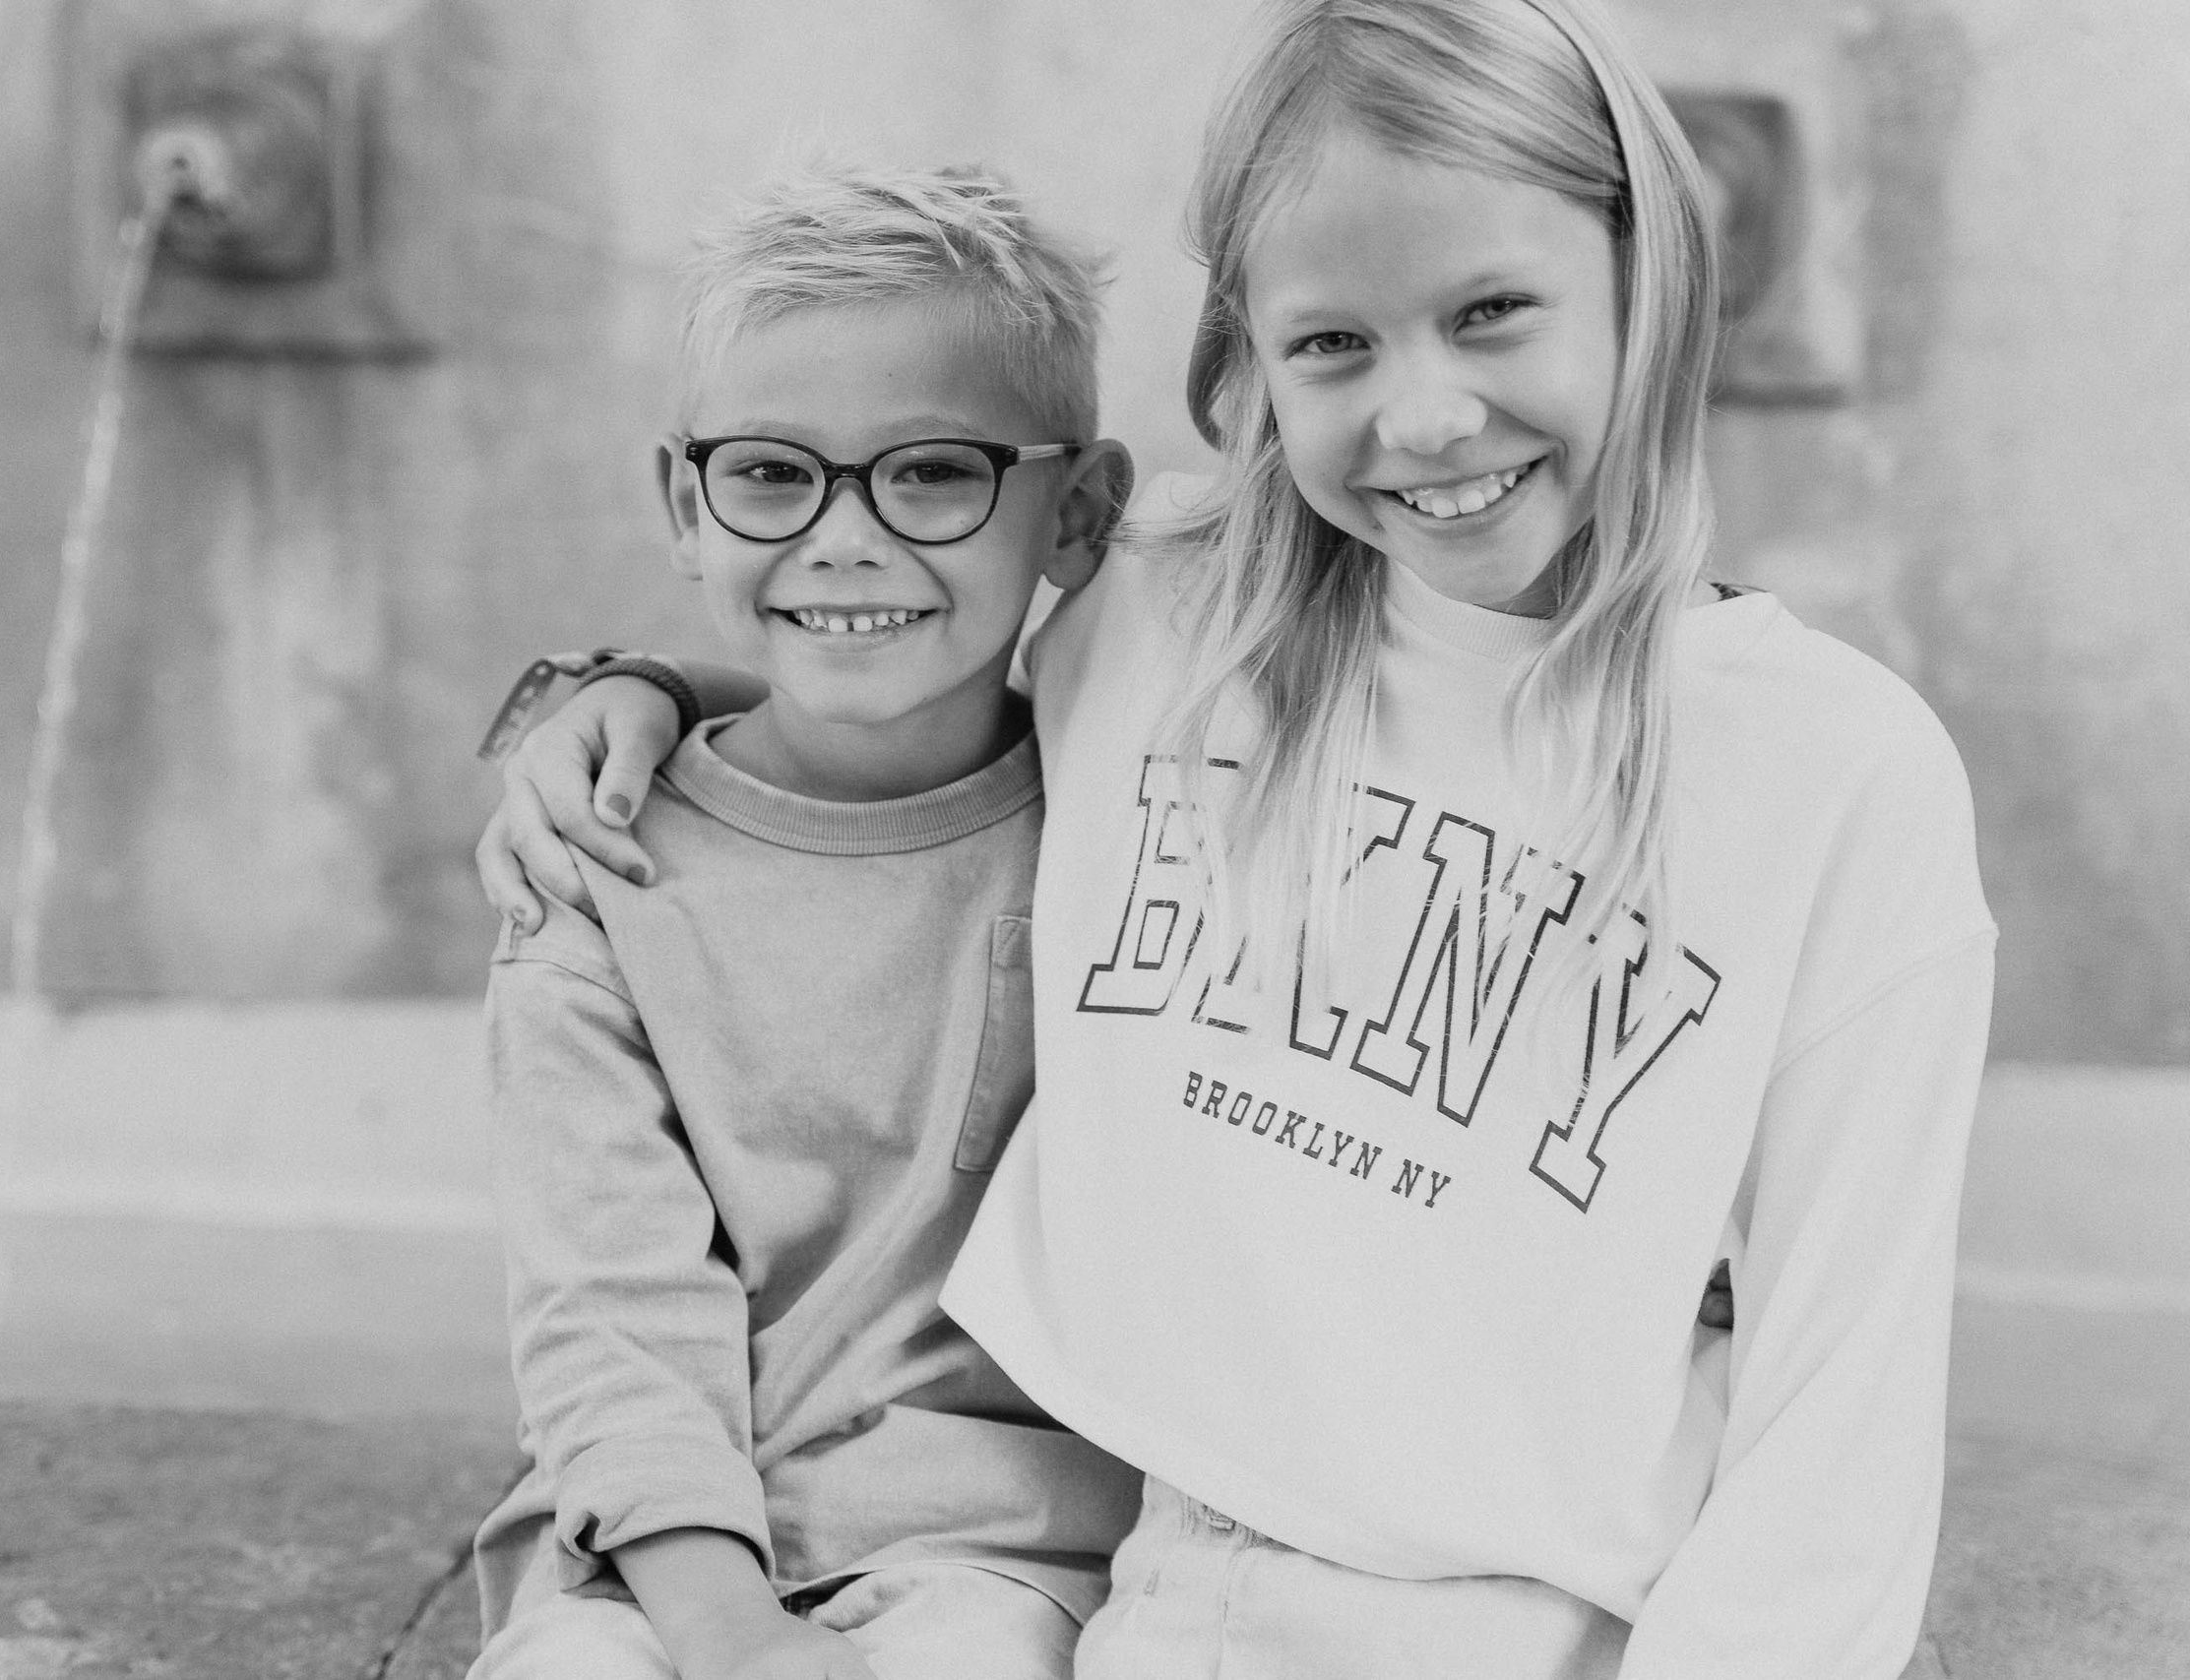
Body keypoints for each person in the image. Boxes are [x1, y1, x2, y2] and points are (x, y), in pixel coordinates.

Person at [480, 2, 1991, 1675]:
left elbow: (1842, 1373)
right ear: (1250, 359)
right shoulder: (1170, 623)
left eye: (1492, 311)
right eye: (1333, 344)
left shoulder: (1839, 775)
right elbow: (876, 659)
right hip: (1162, 1583)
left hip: (1540, 1611)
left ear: (1656, 281)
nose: (1424, 419)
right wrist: (614, 699)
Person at [467, 161, 1144, 1680]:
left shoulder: (1138, 814)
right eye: (772, 473)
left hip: (1003, 1553)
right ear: (681, 504)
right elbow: (611, 1318)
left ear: (1078, 510)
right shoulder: (593, 879)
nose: (844, 536)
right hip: (641, 1556)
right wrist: (737, 1642)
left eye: (934, 472)